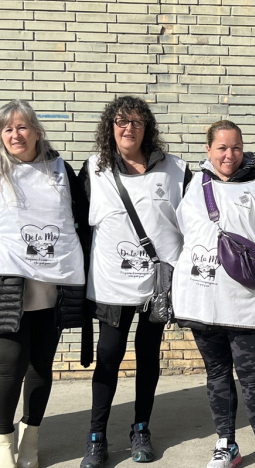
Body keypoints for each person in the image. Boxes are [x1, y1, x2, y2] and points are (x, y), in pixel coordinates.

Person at [0, 100, 93, 468]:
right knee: (9, 365)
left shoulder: (59, 170)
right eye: (7, 129)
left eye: (22, 127)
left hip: (52, 290)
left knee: (40, 366)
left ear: (37, 131)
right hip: (7, 287)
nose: (15, 135)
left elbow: (80, 221)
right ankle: (3, 444)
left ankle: (30, 437)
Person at [77, 96, 191, 467]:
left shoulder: (175, 169)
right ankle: (96, 436)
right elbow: (74, 223)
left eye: (137, 122)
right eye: (121, 122)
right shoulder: (93, 169)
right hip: (112, 285)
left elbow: (197, 221)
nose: (129, 129)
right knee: (108, 357)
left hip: (158, 287)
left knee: (148, 357)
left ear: (148, 128)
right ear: (110, 127)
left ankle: (141, 428)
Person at [172, 120, 255, 468]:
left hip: (246, 301)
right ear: (208, 149)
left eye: (236, 147)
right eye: (222, 148)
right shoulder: (193, 184)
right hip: (202, 301)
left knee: (253, 377)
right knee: (217, 375)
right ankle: (226, 444)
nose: (229, 155)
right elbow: (179, 237)